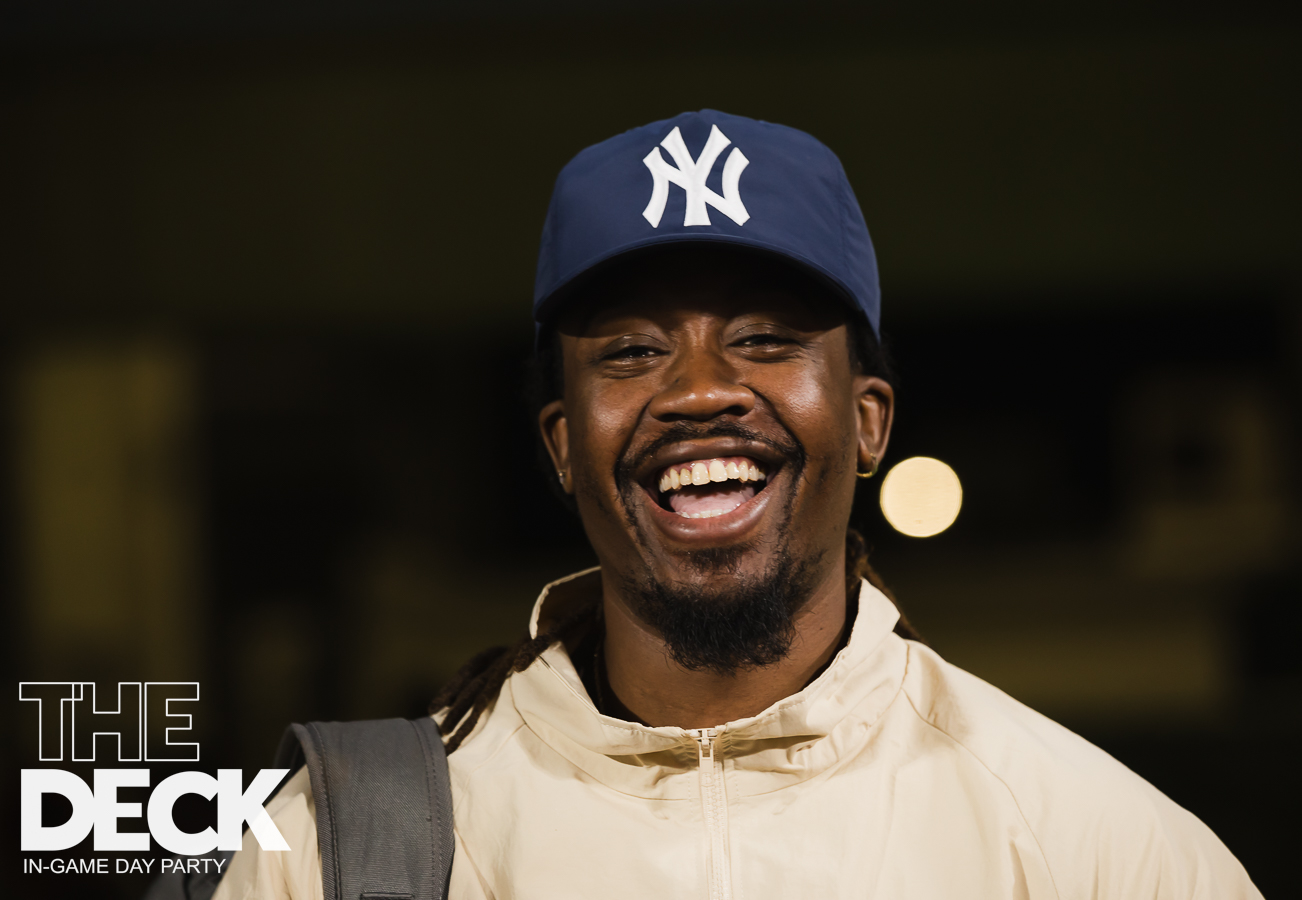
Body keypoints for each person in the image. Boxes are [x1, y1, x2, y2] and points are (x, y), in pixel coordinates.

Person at [213, 110, 1260, 899]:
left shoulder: (1104, 851)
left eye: (765, 339)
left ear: (869, 421)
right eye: (632, 351)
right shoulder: (336, 853)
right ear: (563, 445)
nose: (701, 391)